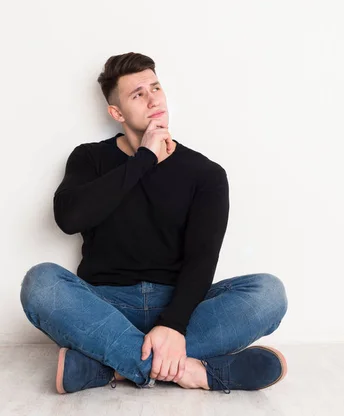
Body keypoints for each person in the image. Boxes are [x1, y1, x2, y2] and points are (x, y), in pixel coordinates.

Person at [20, 51, 289, 394]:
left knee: (268, 294)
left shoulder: (205, 173)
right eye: (138, 94)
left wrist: (174, 325)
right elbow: (69, 219)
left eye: (156, 88)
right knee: (40, 283)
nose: (153, 99)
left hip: (181, 306)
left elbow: (202, 259)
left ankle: (110, 368)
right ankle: (195, 372)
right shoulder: (90, 158)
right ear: (116, 112)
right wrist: (144, 159)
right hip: (103, 309)